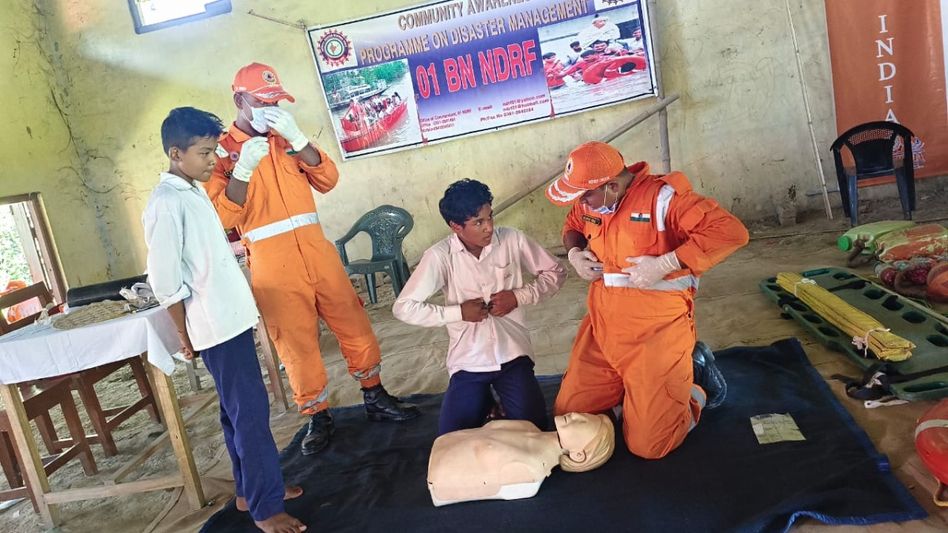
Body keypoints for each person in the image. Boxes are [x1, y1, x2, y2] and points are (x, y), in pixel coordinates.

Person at [205, 62, 419, 457]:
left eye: (276, 100)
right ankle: (317, 416)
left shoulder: (287, 137)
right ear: (240, 100)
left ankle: (374, 394)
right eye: (262, 101)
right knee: (296, 343)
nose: (271, 108)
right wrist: (243, 171)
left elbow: (328, 180)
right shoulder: (220, 154)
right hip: (273, 263)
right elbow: (222, 218)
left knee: (352, 320)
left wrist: (299, 138)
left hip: (317, 250)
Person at [143, 107, 305, 533]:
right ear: (175, 153)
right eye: (204, 153)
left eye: (214, 151)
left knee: (237, 413)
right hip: (214, 326)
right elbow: (164, 280)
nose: (213, 161)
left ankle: (249, 489)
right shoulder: (165, 203)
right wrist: (183, 333)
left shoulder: (191, 191)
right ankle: (266, 509)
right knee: (250, 413)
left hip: (230, 319)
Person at [545, 141, 749, 460]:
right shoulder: (592, 201)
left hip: (656, 334)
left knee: (650, 445)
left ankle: (696, 386)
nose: (582, 203)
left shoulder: (664, 198)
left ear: (612, 186)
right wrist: (574, 252)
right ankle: (640, 394)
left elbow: (730, 233)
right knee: (568, 419)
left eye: (585, 196)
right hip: (603, 330)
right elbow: (573, 224)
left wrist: (668, 262)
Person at [393, 179, 567, 435]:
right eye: (478, 222)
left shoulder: (512, 240)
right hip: (469, 361)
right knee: (451, 438)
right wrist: (457, 313)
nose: (489, 228)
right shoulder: (440, 256)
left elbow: (556, 271)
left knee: (535, 430)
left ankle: (496, 402)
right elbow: (404, 307)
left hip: (513, 355)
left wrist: (520, 296)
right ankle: (485, 399)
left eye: (490, 217)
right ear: (456, 227)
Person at [427, 412, 615, 506]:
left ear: (578, 455)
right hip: (444, 445)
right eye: (583, 414)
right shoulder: (528, 426)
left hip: (440, 475)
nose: (575, 414)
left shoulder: (531, 468)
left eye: (582, 422)